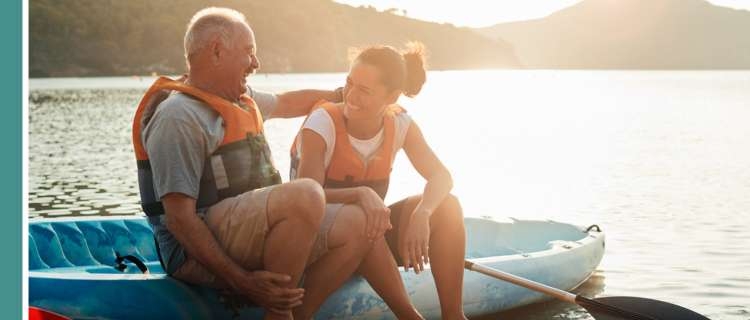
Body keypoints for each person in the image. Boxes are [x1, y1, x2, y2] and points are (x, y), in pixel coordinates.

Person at [132, 7, 368, 320]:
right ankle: (276, 312)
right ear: (217, 51)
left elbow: (286, 102)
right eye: (249, 52)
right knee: (307, 194)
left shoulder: (240, 98)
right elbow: (179, 220)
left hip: (240, 231)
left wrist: (344, 95)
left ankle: (296, 312)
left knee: (357, 223)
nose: (255, 63)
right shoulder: (178, 117)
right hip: (191, 251)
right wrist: (243, 283)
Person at [290, 42, 468, 319]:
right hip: (322, 245)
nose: (351, 95)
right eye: (350, 83)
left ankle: (454, 316)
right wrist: (359, 194)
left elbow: (441, 176)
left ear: (392, 96)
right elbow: (306, 193)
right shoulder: (321, 124)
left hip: (371, 240)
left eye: (364, 90)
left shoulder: (400, 124)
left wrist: (423, 212)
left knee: (447, 206)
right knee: (362, 218)